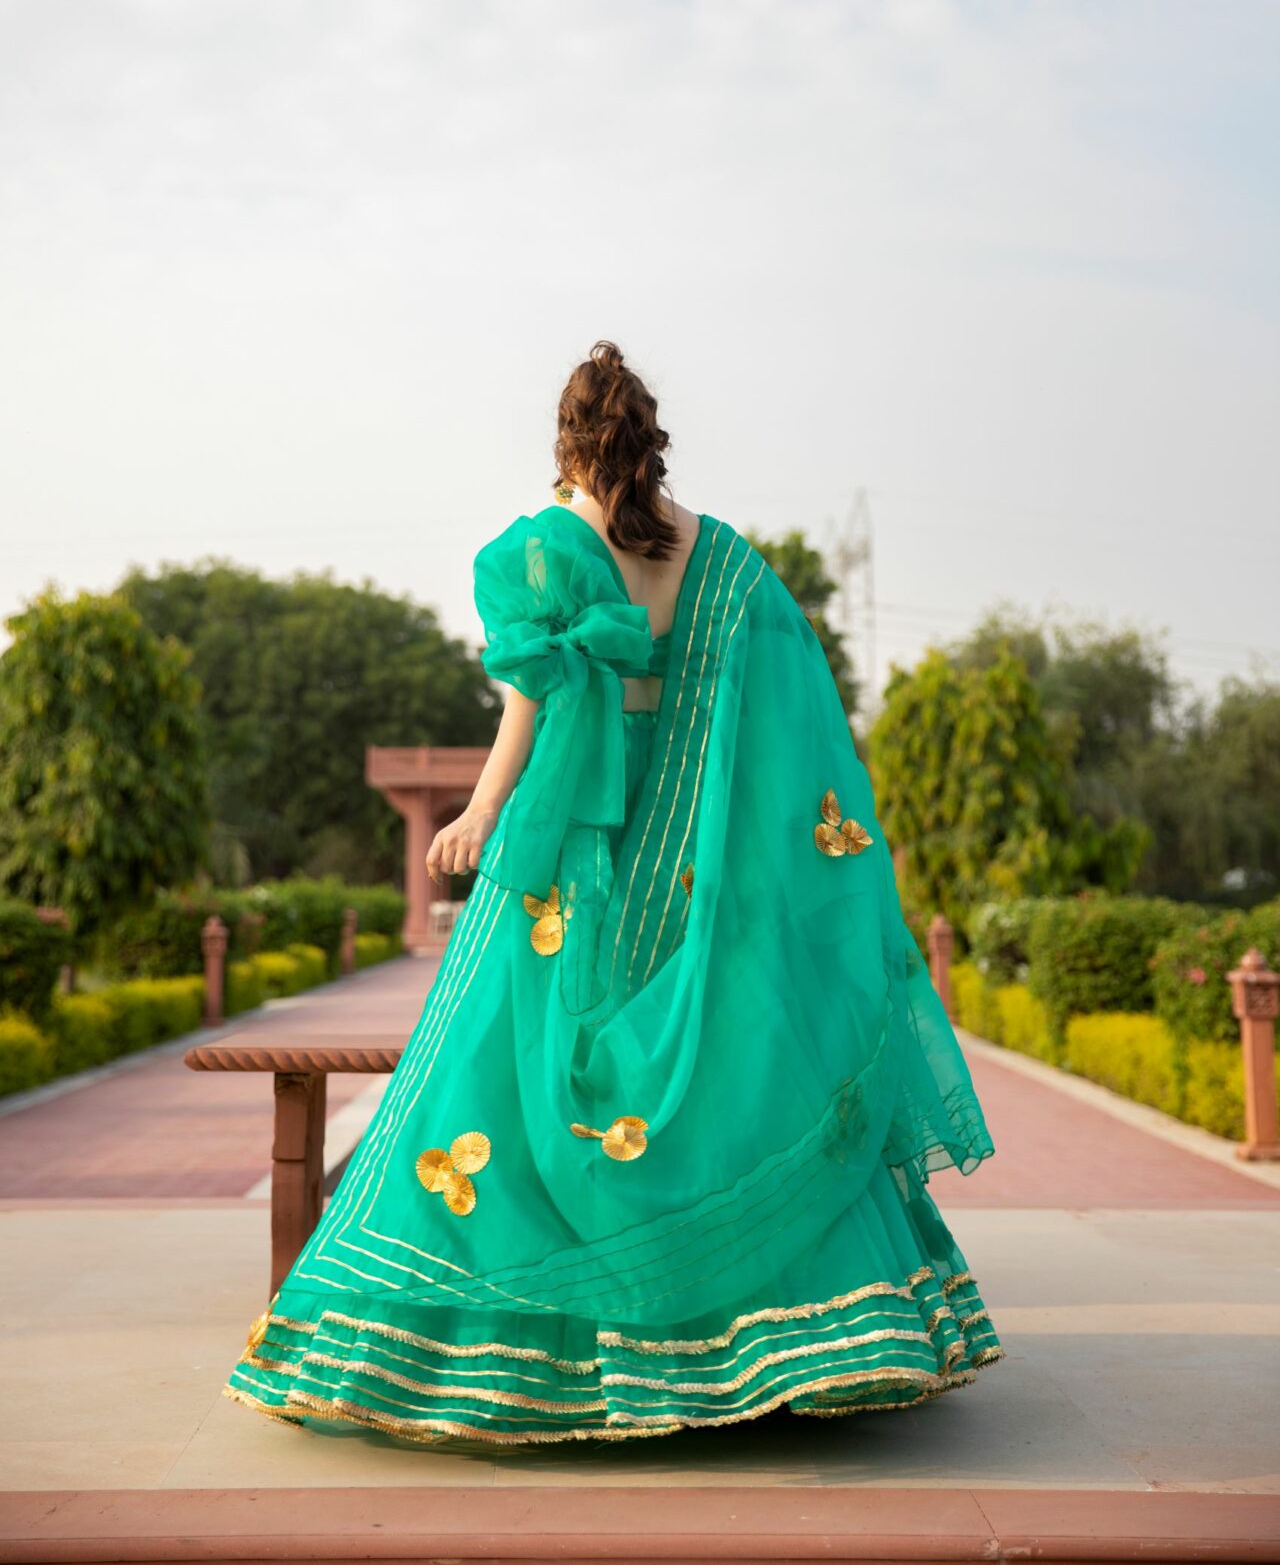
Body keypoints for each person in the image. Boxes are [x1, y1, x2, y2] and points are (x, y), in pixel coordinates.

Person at [224, 340, 1003, 1445]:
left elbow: (529, 710)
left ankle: (513, 1355)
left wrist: (482, 814)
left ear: (566, 444)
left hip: (579, 847)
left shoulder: (547, 546)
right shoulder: (725, 560)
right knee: (737, 1059)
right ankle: (800, 1340)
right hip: (705, 851)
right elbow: (785, 722)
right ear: (651, 441)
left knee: (511, 1075)